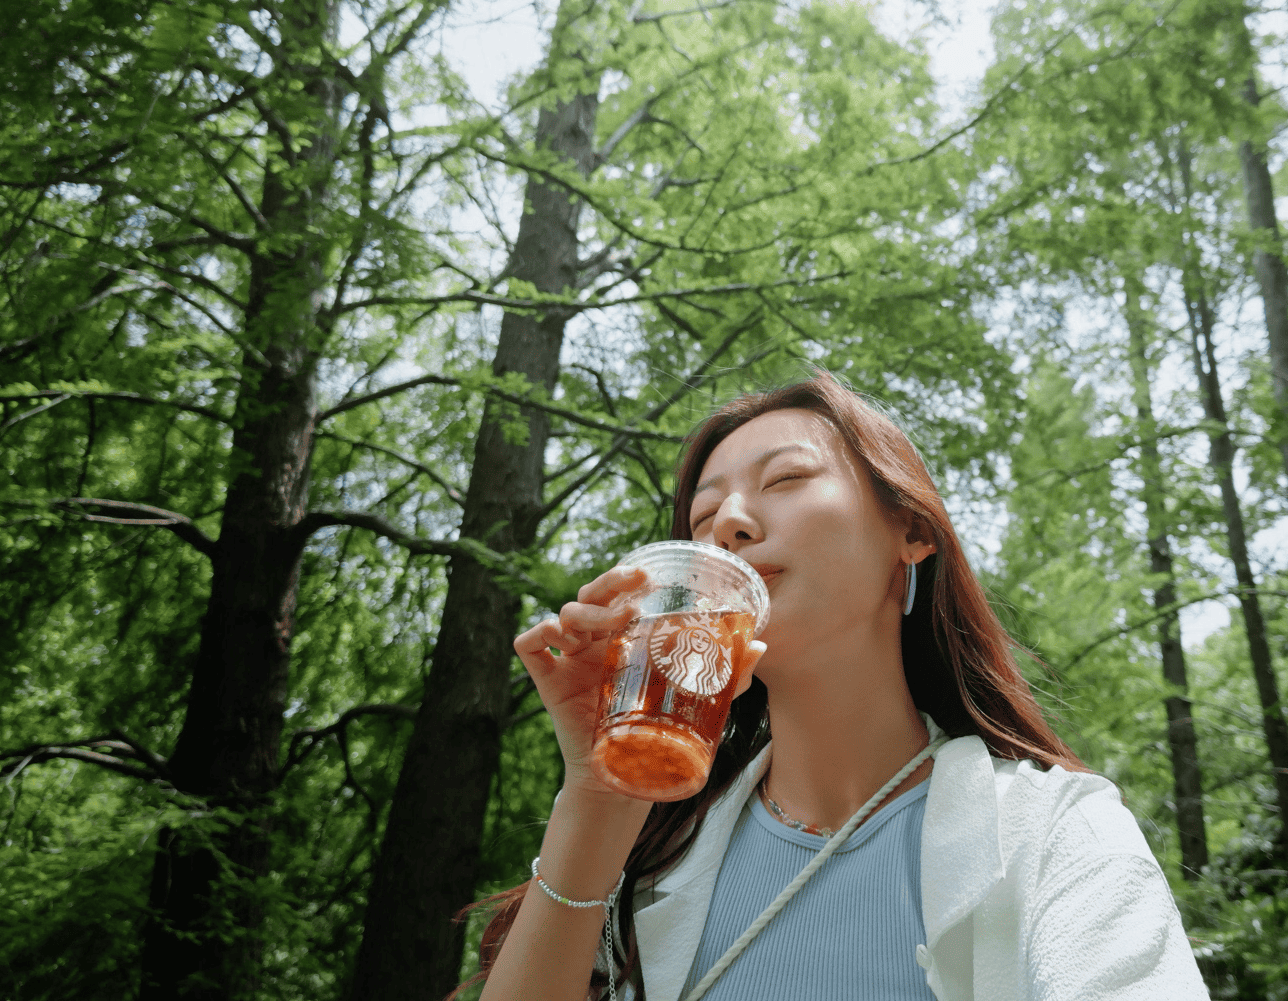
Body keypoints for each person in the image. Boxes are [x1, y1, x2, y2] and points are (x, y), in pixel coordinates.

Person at [463, 371, 1207, 1001]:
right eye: (703, 516)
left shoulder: (1056, 831)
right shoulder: (647, 866)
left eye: (784, 479)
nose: (728, 526)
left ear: (910, 531)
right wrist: (598, 801)